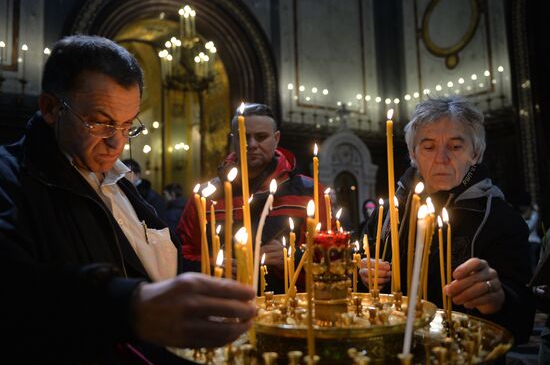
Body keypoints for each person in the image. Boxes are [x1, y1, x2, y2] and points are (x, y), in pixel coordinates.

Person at [0, 35, 255, 363]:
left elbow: (152, 262)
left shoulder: (126, 185)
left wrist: (210, 275)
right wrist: (129, 306)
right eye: (100, 123)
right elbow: (17, 288)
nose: (116, 143)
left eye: (127, 125)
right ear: (50, 108)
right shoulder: (13, 179)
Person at [359, 97, 534, 345]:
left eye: (455, 147)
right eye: (429, 147)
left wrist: (497, 298)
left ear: (476, 153)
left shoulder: (500, 219)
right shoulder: (387, 214)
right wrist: (364, 272)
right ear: (413, 154)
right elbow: (358, 280)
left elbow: (523, 319)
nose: (441, 158)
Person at [178, 103, 331, 293]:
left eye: (260, 137)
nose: (251, 145)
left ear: (276, 139)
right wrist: (211, 265)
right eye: (244, 137)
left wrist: (293, 258)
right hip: (222, 305)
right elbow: (182, 253)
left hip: (287, 310)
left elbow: (332, 257)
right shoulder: (206, 195)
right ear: (234, 140)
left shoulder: (310, 191)